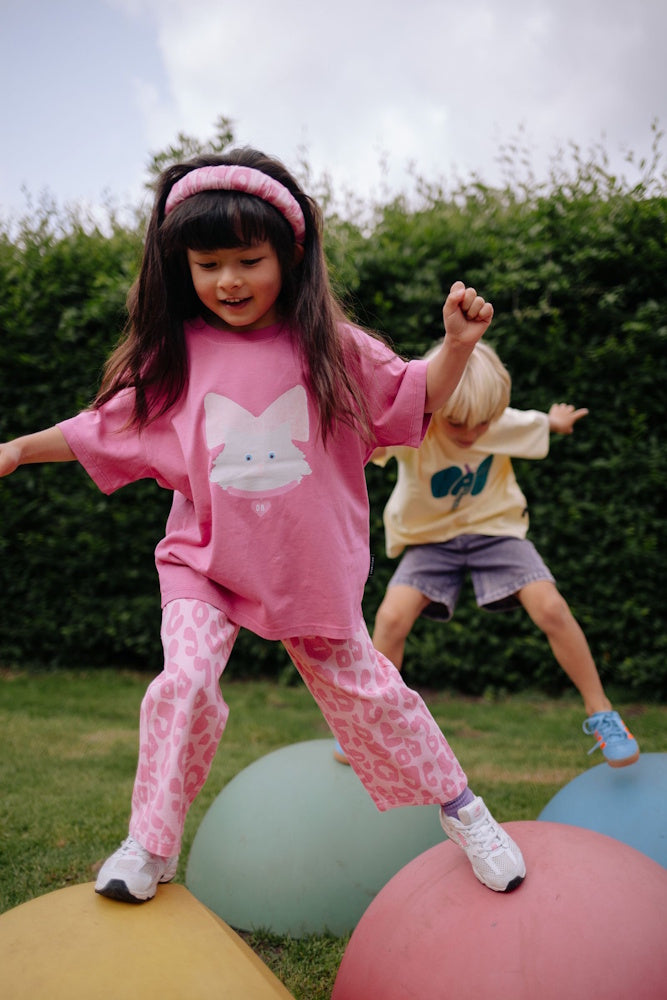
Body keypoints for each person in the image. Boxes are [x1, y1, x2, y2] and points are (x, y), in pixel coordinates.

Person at [0, 148, 526, 902]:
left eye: (248, 260)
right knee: (181, 683)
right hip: (203, 562)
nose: (228, 282)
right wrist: (19, 448)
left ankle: (464, 812)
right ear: (179, 265)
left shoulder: (332, 349)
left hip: (307, 569)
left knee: (375, 695)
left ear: (291, 256)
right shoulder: (174, 359)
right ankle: (147, 846)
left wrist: (457, 347)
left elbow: (412, 397)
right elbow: (102, 427)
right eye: (207, 263)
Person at [367, 340, 639, 768]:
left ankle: (601, 711)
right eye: (459, 424)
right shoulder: (415, 428)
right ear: (436, 405)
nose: (473, 434)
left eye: (483, 424)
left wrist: (558, 422)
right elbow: (367, 441)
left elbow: (536, 423)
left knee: (550, 606)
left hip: (496, 531)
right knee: (391, 618)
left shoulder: (496, 421)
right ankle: (372, 726)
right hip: (430, 540)